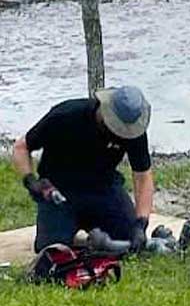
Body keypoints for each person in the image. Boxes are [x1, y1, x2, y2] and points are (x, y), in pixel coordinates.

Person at [9, 86, 155, 254]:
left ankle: (97, 237)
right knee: (52, 249)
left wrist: (141, 223)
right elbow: (22, 147)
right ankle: (75, 234)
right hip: (60, 192)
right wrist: (31, 181)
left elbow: (143, 176)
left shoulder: (133, 131)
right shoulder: (65, 115)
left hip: (103, 188)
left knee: (131, 241)